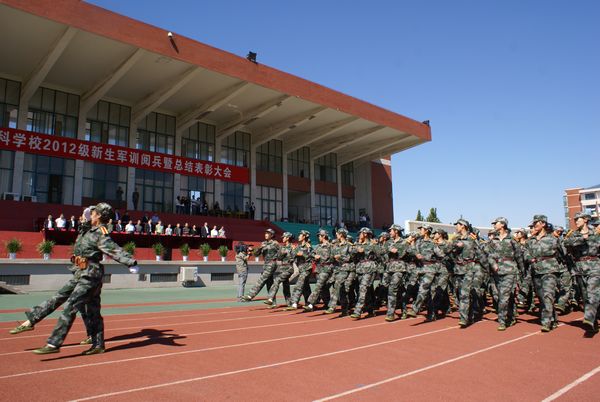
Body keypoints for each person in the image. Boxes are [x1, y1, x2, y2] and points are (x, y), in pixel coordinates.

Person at [27, 203, 137, 354]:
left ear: (98, 215)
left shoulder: (100, 233)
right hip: (83, 272)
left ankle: (54, 343)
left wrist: (130, 262)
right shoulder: (87, 230)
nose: (88, 215)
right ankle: (98, 345)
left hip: (90, 274)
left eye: (92, 213)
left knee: (71, 304)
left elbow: (113, 248)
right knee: (93, 310)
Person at [10, 207, 99, 342]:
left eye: (83, 216)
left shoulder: (91, 232)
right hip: (81, 273)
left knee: (60, 297)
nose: (80, 218)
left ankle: (32, 321)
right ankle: (93, 336)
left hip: (86, 276)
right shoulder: (82, 232)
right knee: (84, 307)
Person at [523, 214, 566, 332]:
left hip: (550, 270)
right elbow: (525, 252)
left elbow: (563, 253)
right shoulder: (530, 240)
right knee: (542, 297)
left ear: (543, 224)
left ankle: (546, 322)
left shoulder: (553, 238)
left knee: (548, 295)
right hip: (536, 271)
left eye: (536, 223)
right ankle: (553, 318)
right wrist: (529, 258)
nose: (534, 225)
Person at [564, 212, 600, 334]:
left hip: (594, 265)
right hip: (579, 267)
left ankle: (589, 317)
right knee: (585, 296)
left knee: (592, 293)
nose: (576, 221)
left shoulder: (596, 232)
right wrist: (582, 238)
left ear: (585, 219)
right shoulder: (573, 234)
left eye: (577, 219)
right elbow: (566, 243)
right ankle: (593, 322)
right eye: (575, 220)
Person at [487, 217, 524, 331]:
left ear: (502, 225)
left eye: (496, 223)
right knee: (501, 296)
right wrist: (493, 265)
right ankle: (512, 316)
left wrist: (522, 271)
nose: (494, 225)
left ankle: (502, 321)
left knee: (503, 297)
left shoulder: (512, 240)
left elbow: (518, 256)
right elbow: (490, 256)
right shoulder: (494, 241)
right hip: (497, 272)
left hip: (509, 271)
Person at [241, 228, 280, 302]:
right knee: (269, 283)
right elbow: (256, 254)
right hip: (266, 264)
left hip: (272, 263)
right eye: (265, 233)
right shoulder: (263, 243)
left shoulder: (275, 243)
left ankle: (250, 295)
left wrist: (276, 257)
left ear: (272, 235)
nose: (266, 235)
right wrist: (255, 249)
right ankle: (272, 301)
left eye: (268, 233)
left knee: (262, 279)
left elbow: (281, 253)